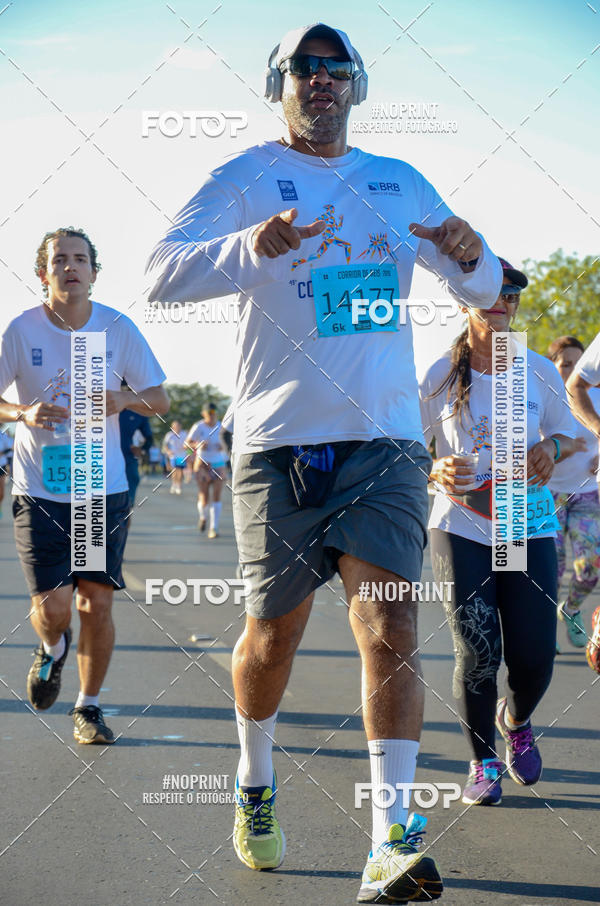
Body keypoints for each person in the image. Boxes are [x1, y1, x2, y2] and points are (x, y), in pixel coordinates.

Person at [146, 21, 502, 903]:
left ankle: (391, 840)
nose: (319, 82)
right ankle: (255, 780)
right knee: (274, 640)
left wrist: (473, 253)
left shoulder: (397, 181)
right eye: (302, 70)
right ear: (278, 86)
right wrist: (247, 247)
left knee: (392, 634)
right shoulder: (241, 178)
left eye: (334, 71)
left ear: (356, 86)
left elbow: (486, 292)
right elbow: (159, 275)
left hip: (384, 445)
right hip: (278, 447)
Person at [0, 227, 168, 744]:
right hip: (40, 487)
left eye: (80, 259)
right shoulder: (21, 330)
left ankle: (88, 706)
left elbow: (159, 399)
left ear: (95, 272)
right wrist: (22, 411)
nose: (70, 267)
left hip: (100, 489)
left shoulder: (117, 328)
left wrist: (123, 400)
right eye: (59, 260)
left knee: (96, 600)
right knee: (54, 609)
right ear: (42, 273)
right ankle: (52, 648)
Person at [420, 259, 577, 808]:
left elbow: (573, 437)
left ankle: (517, 719)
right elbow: (404, 445)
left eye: (511, 297)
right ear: (466, 301)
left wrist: (550, 448)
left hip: (523, 522)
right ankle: (482, 760)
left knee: (534, 658)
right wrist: (433, 468)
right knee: (478, 649)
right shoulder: (439, 372)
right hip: (461, 523)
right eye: (492, 295)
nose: (503, 305)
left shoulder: (536, 369)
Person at [547, 337, 600, 649]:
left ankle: (571, 608)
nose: (572, 370)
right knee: (551, 567)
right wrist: (557, 449)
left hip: (586, 493)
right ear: (553, 365)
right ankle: (543, 631)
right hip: (549, 493)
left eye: (578, 364)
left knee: (589, 569)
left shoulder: (594, 395)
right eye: (565, 363)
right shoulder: (543, 395)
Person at [186, 402, 228, 538]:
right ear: (203, 414)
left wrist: (224, 447)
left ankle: (213, 528)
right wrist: (198, 445)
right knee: (204, 497)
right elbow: (186, 444)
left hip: (218, 463)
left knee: (217, 496)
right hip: (202, 464)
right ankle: (203, 517)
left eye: (213, 413)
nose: (212, 415)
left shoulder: (222, 426)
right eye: (209, 413)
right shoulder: (198, 426)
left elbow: (230, 443)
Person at [119, 382, 154, 514]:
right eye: (124, 389)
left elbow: (149, 438)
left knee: (126, 509)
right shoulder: (99, 407)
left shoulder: (139, 412)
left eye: (130, 390)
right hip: (98, 462)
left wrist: (142, 449)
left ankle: (123, 532)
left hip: (128, 462)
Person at [162, 420, 188, 494]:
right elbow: (165, 445)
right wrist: (168, 451)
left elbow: (189, 444)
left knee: (180, 471)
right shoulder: (169, 435)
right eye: (174, 426)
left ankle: (179, 486)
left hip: (182, 455)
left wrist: (188, 452)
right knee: (174, 470)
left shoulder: (184, 434)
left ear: (180, 426)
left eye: (177, 426)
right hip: (173, 456)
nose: (175, 428)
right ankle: (174, 484)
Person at [0, 427, 13, 519]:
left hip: (1, 465)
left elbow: (10, 448)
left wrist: (2, 453)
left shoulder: (2, 434)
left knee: (1, 493)